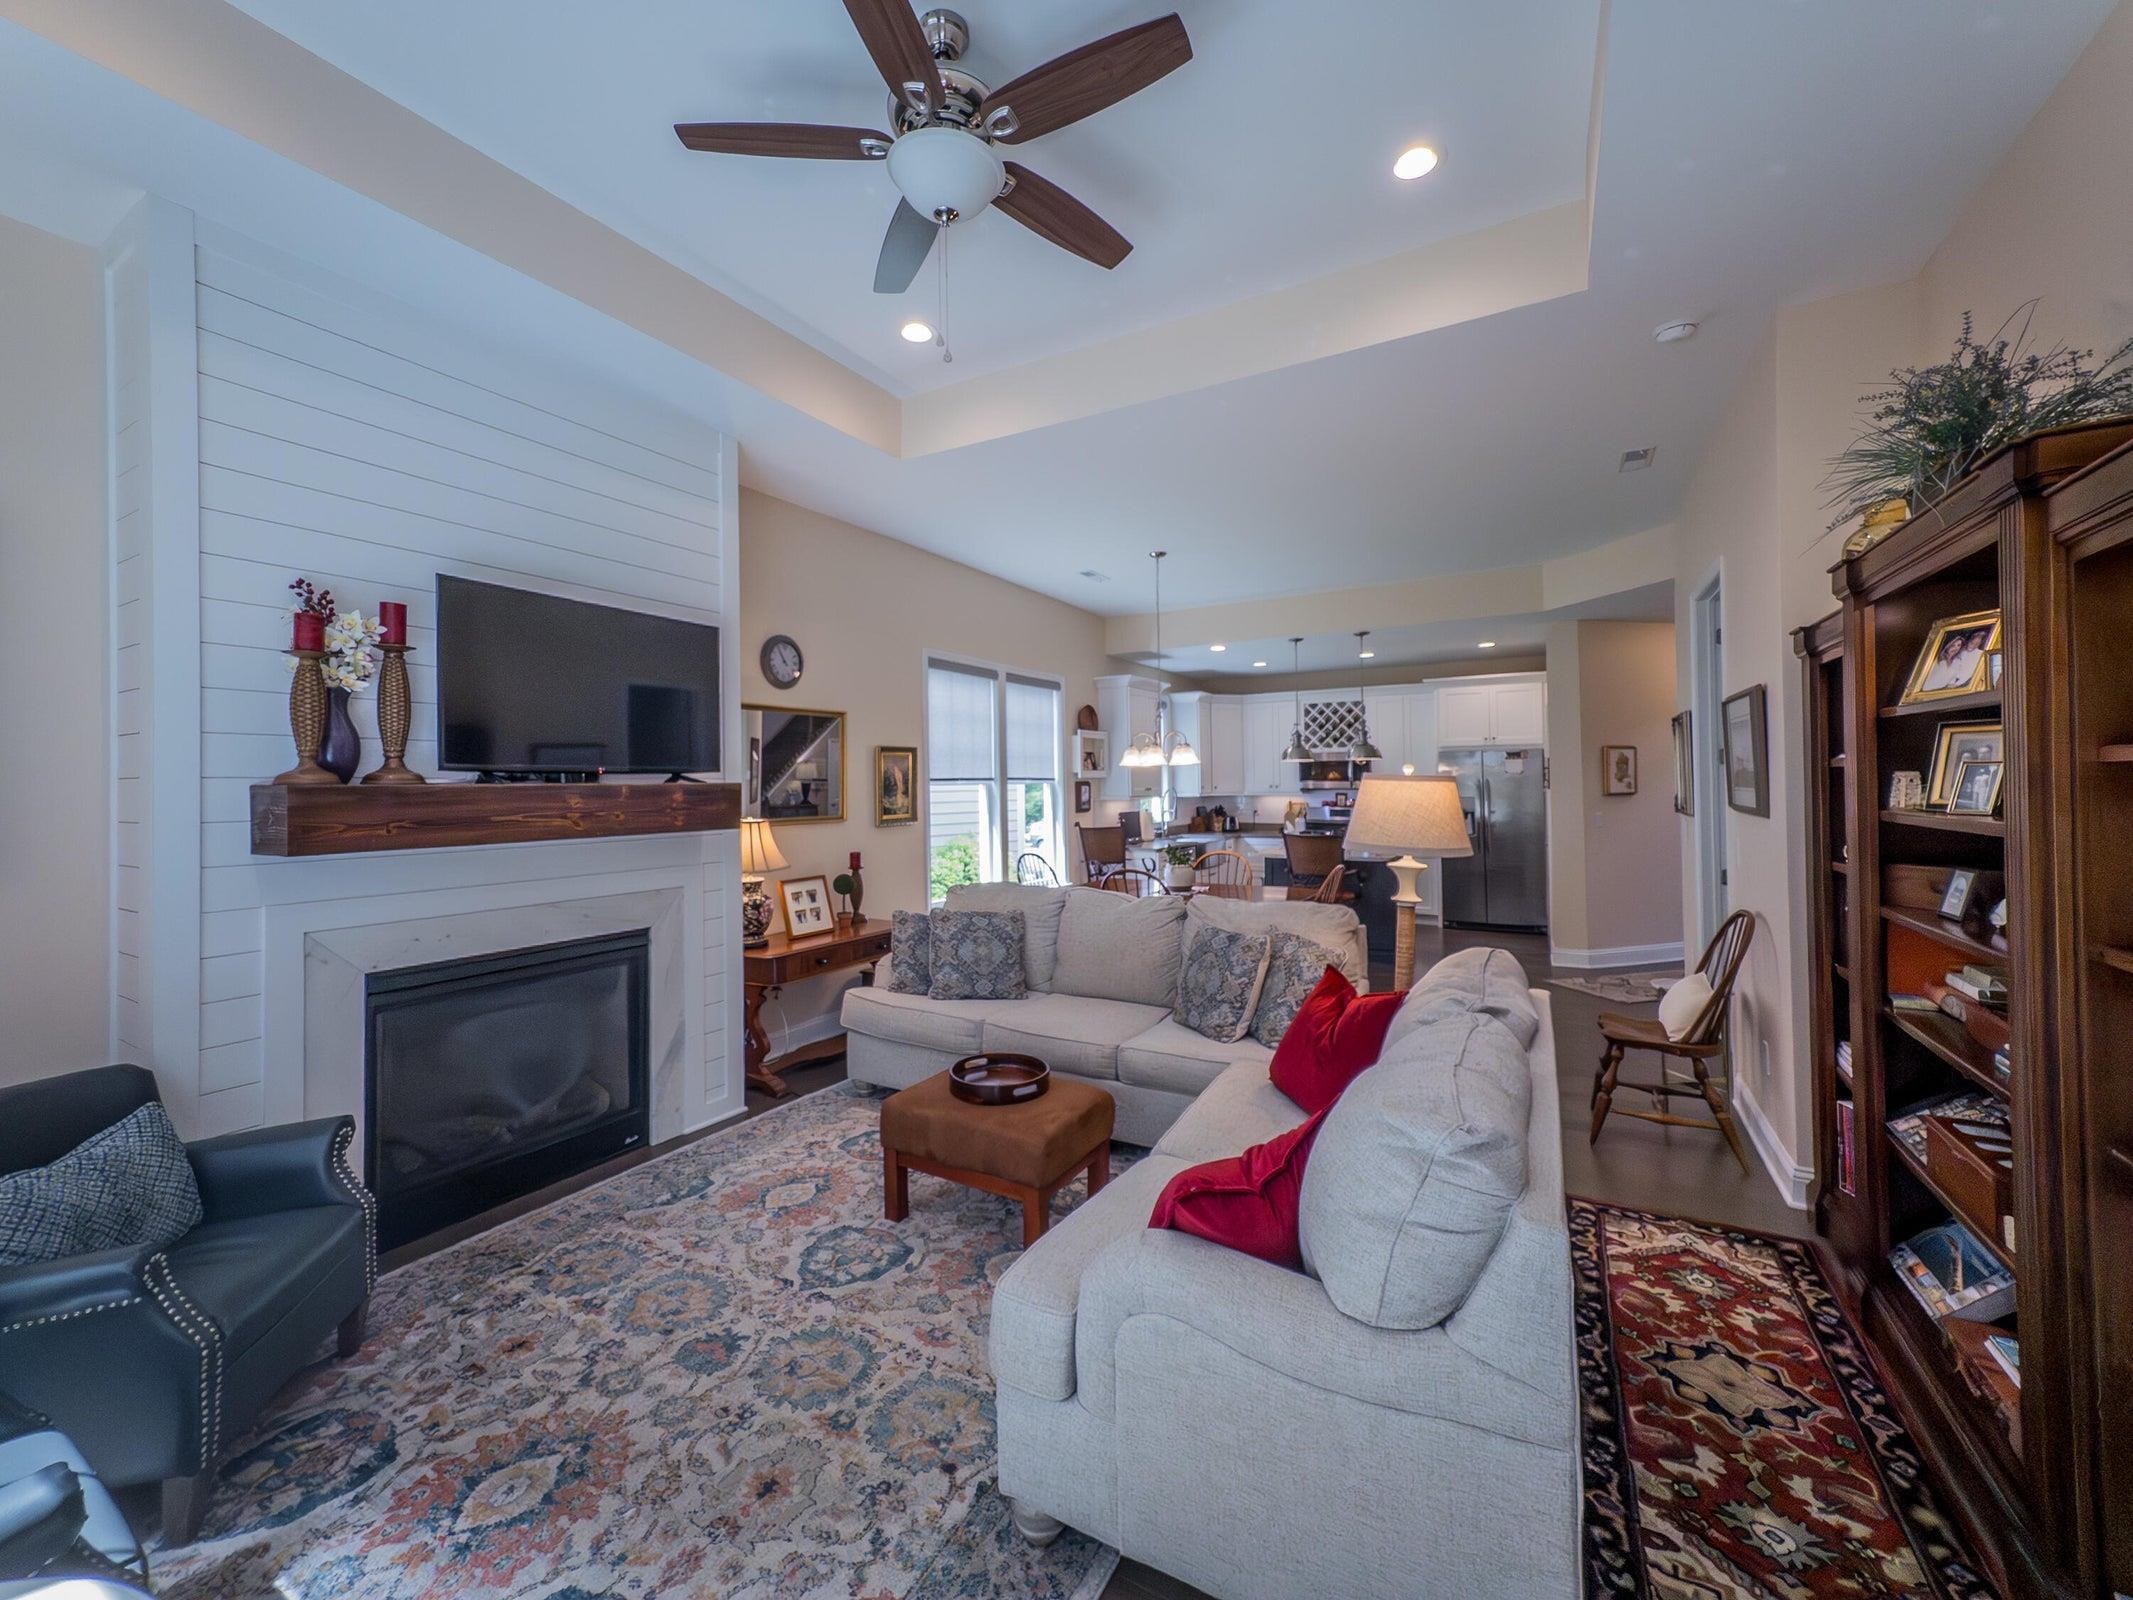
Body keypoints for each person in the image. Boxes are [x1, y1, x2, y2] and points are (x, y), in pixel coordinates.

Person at [1921, 626, 1990, 694]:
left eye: (1977, 644)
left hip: (1959, 687)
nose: (1973, 646)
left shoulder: (1980, 655)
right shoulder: (1954, 654)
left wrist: (1956, 684)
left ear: (1980, 644)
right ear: (1969, 640)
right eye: (1972, 642)